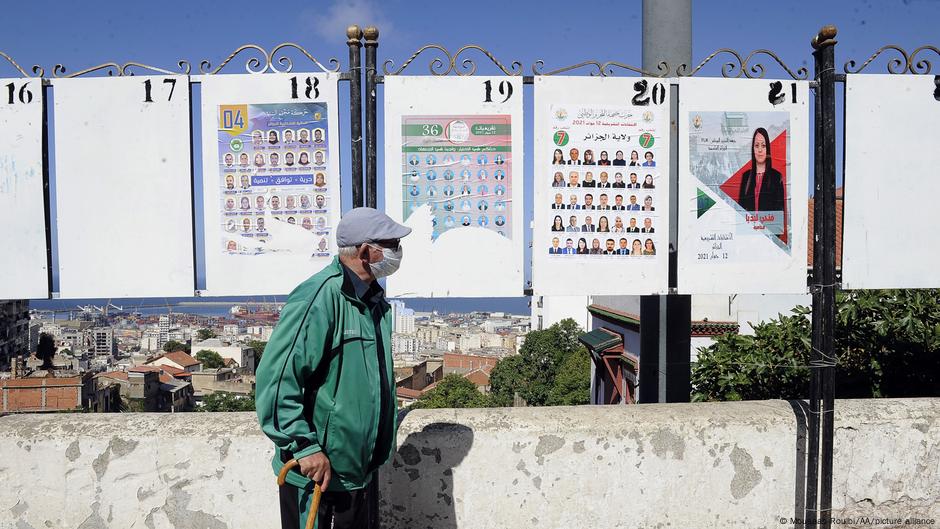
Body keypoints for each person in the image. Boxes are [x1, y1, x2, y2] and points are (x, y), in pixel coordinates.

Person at [256, 207, 411, 529]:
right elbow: (277, 379)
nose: (398, 252)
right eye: (393, 243)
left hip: (356, 470)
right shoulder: (319, 296)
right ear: (367, 251)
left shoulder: (372, 302)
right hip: (317, 472)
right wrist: (303, 446)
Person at [738, 127, 784, 213]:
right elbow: (740, 211)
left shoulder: (777, 177)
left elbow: (779, 213)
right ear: (753, 149)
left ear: (767, 149)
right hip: (748, 225)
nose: (760, 150)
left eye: (763, 145)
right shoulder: (746, 177)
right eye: (756, 145)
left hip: (769, 225)